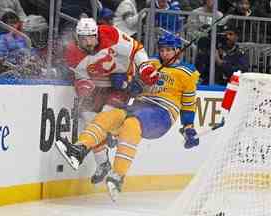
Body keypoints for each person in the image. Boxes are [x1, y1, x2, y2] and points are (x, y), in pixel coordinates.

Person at [57, 32, 200, 201]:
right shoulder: (151, 64)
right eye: (162, 50)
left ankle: (117, 175)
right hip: (141, 106)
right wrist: (130, 84)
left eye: (169, 50)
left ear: (178, 51)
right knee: (109, 116)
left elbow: (189, 104)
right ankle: (79, 150)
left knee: (131, 124)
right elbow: (132, 82)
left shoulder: (188, 73)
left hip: (162, 114)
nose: (165, 53)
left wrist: (188, 127)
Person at [62, 18, 153, 185]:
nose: (88, 42)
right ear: (77, 37)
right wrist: (83, 87)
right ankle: (103, 163)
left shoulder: (110, 34)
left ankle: (112, 133)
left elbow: (136, 49)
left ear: (97, 34)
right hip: (100, 85)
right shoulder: (73, 53)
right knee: (89, 117)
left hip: (123, 81)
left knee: (105, 117)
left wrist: (144, 67)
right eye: (83, 38)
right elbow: (80, 77)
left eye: (91, 37)